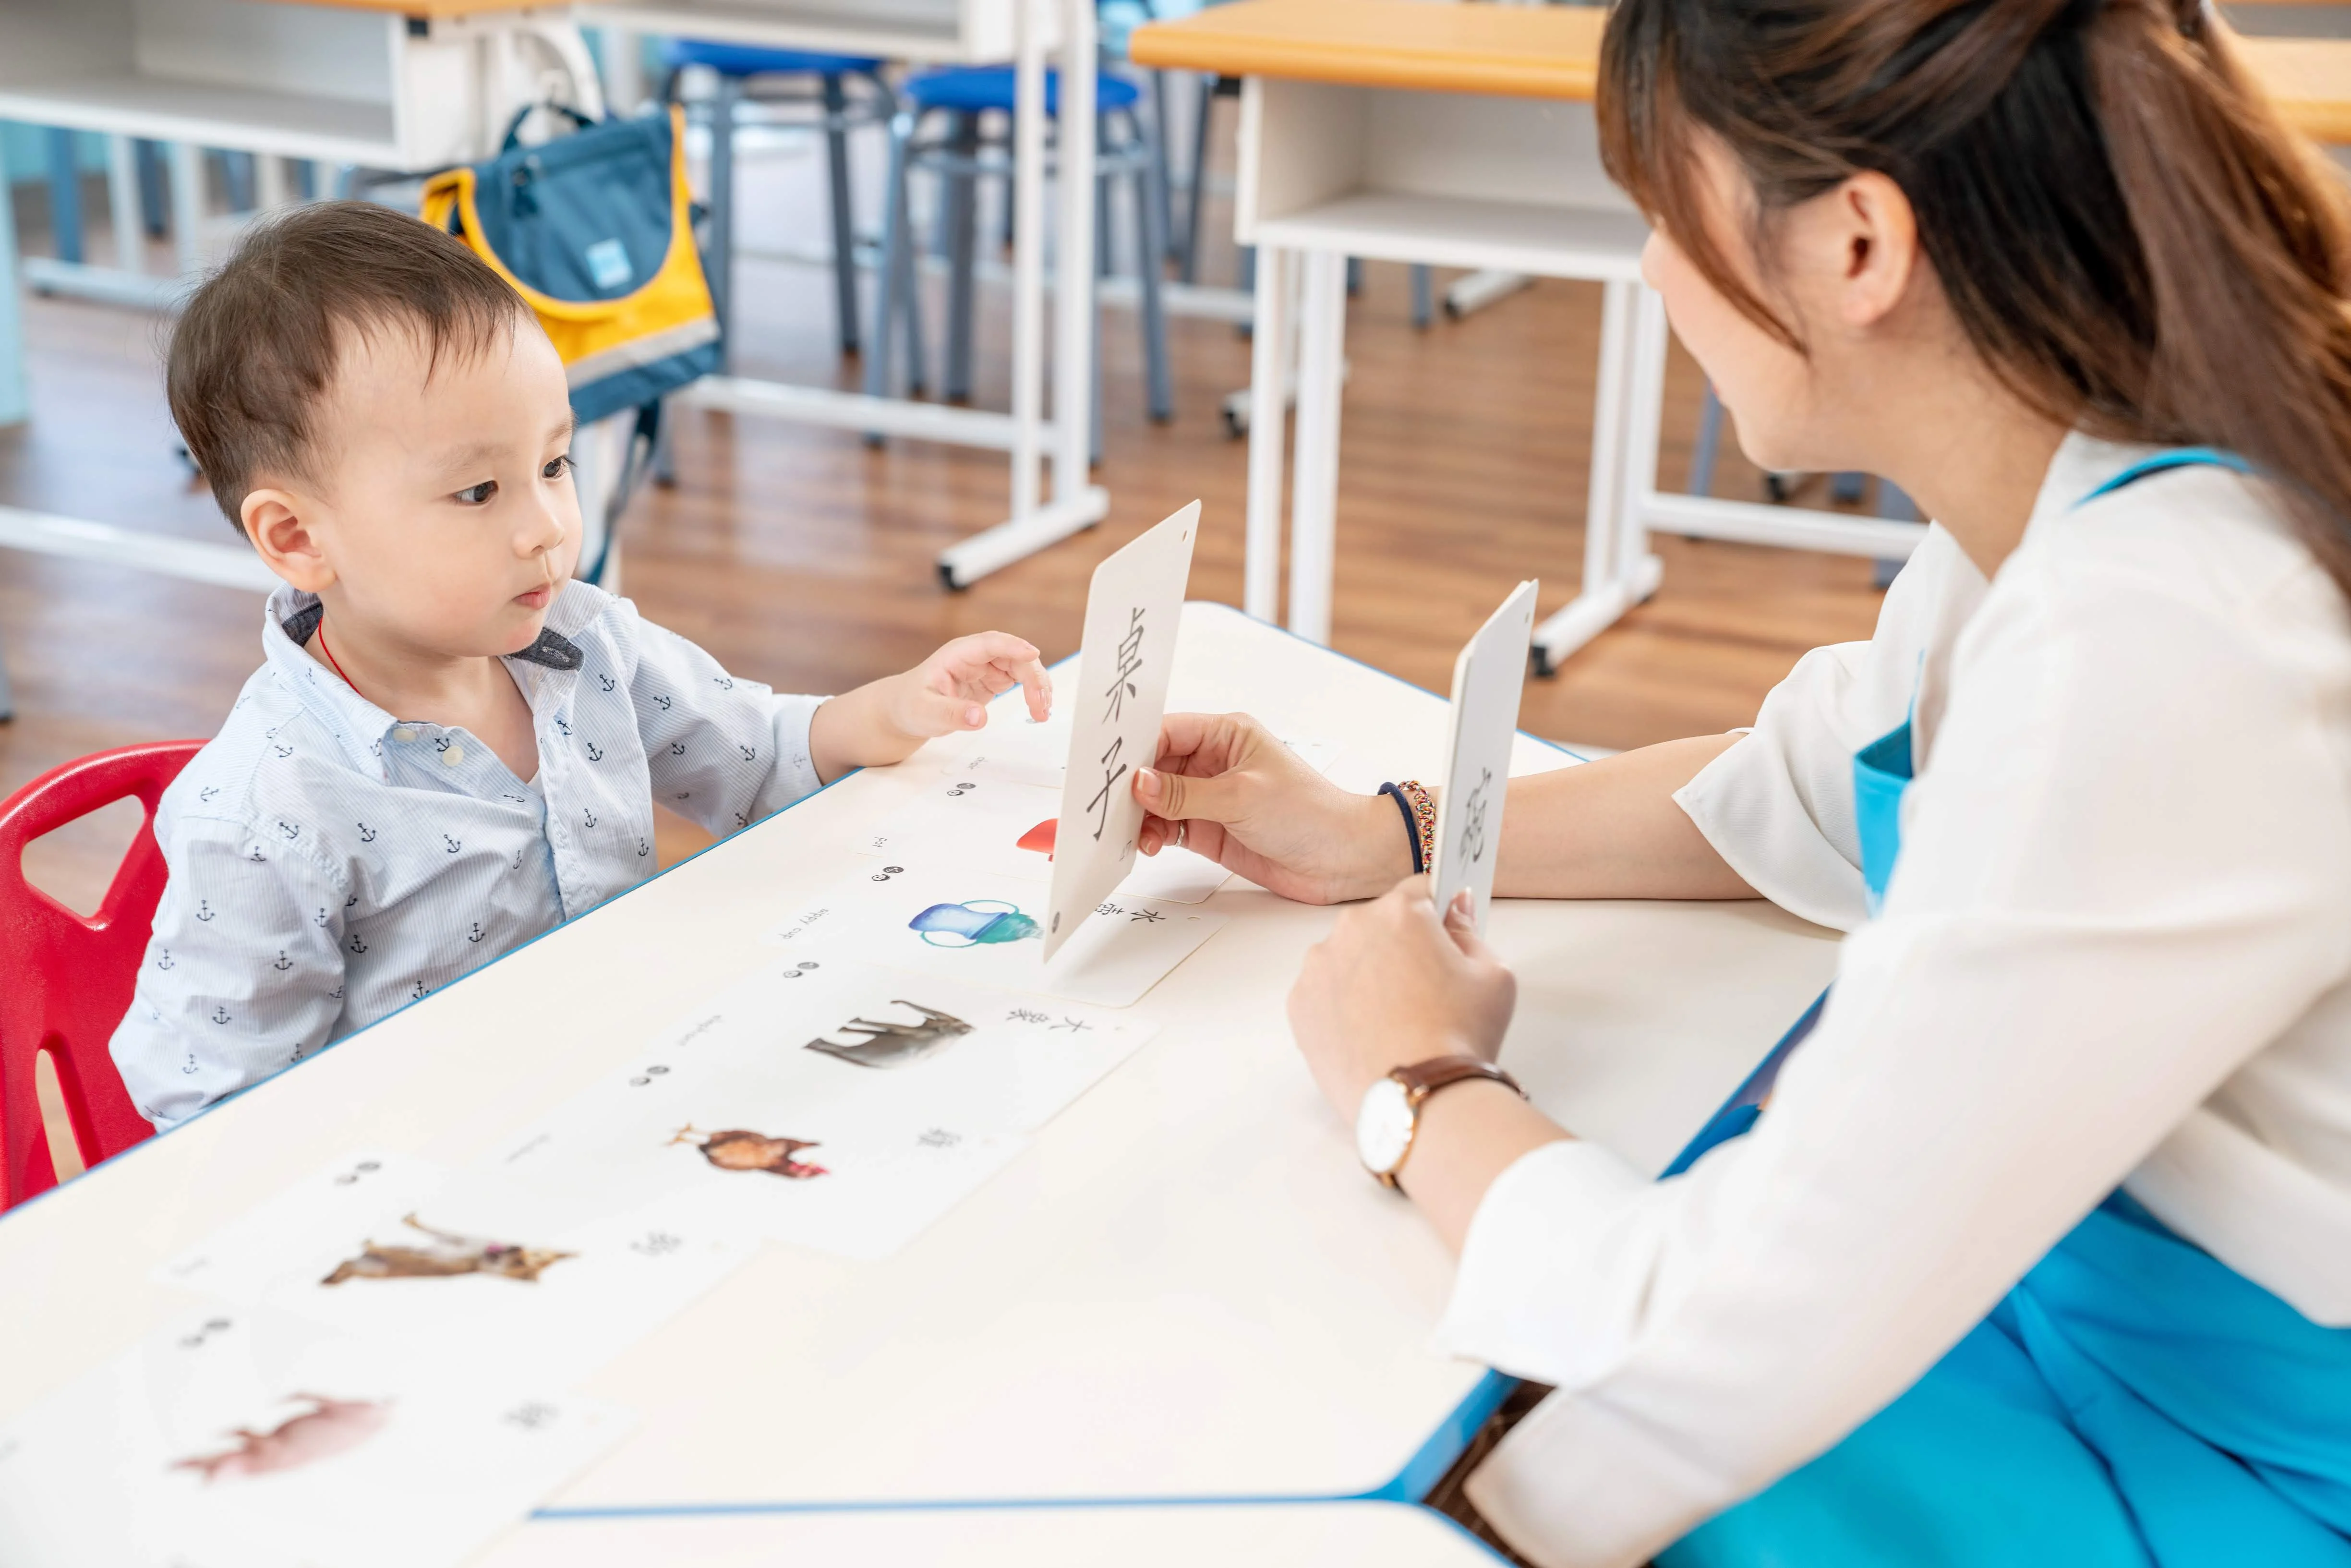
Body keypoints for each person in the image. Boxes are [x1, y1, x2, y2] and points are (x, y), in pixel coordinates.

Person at [1128, 0, 2351, 1560]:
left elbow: (1705, 1341)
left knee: (1384, 1408)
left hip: (2235, 1476)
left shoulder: (2165, 639)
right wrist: (1387, 828)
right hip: (2082, 1330)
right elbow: (1819, 781)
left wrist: (1414, 1081)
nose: (1649, 272)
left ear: (1854, 245)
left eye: (1662, 209)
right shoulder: (2102, 503)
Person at [112, 203, 1051, 1130]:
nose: (549, 526)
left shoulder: (583, 642)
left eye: (554, 463)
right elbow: (215, 1116)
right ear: (298, 538)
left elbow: (761, 756)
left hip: (645, 1092)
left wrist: (900, 706)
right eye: (478, 490)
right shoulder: (264, 812)